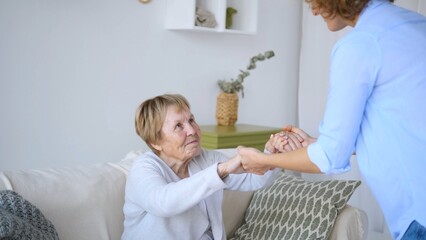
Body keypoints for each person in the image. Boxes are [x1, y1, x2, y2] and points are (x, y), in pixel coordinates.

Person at [238, 0, 426, 240]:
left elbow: (330, 157)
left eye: (315, 1)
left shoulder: (361, 44)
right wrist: (321, 142)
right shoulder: (417, 26)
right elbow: (406, 128)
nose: (314, 9)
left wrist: (262, 160)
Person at [121, 93, 280, 240]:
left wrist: (273, 155)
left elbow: (254, 180)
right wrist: (221, 170)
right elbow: (164, 203)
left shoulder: (205, 158)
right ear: (155, 142)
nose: (192, 130)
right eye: (178, 126)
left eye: (191, 120)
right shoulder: (143, 168)